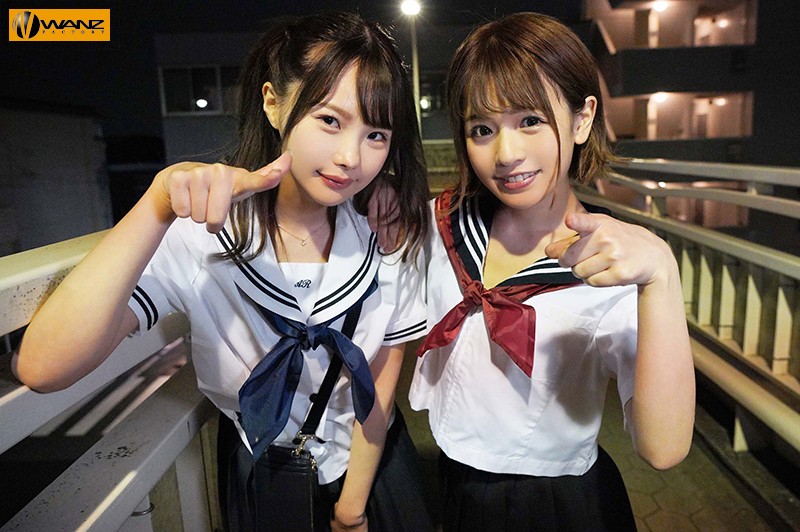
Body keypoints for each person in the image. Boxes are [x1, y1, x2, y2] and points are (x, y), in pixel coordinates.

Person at [16, 12, 434, 532]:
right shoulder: (202, 237)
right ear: (273, 103)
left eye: (376, 135)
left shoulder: (388, 229)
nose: (351, 157)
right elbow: (45, 367)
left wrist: (351, 510)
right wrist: (157, 201)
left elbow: (383, 380)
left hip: (373, 470)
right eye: (330, 120)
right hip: (261, 470)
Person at [410, 12, 696, 531]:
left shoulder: (609, 265)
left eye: (530, 121)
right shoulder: (442, 225)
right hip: (450, 482)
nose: (506, 154)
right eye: (482, 129)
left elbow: (664, 448)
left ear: (582, 119)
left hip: (555, 503)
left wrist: (663, 275)